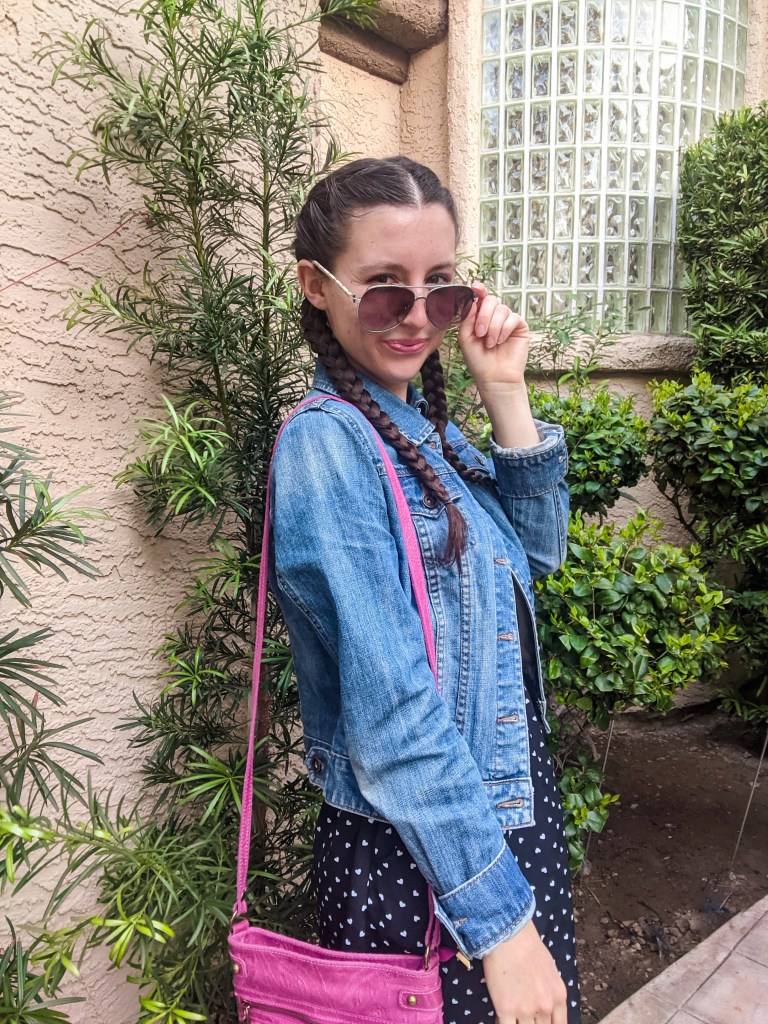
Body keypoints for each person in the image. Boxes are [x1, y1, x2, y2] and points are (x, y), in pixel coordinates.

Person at [268, 156, 579, 1024]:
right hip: (423, 861)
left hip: (493, 821)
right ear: (316, 285)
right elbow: (393, 715)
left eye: (440, 288)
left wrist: (505, 391)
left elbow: (537, 562)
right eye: (382, 290)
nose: (414, 317)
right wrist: (501, 926)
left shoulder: (420, 433)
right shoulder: (330, 446)